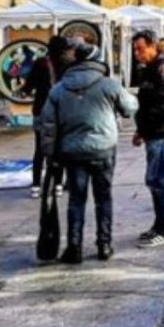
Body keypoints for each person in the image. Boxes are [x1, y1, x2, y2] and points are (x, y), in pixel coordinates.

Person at [40, 39, 138, 263]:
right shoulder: (108, 84)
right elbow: (130, 107)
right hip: (103, 149)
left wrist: (50, 154)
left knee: (76, 200)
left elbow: (48, 125)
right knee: (103, 198)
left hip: (72, 152)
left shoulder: (59, 88)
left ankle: (74, 247)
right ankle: (104, 245)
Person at [132, 30, 164, 248]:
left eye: (140, 49)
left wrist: (145, 126)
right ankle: (159, 224)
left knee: (159, 179)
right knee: (155, 179)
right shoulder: (152, 67)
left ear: (153, 45)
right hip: (155, 130)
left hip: (163, 131)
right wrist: (141, 129)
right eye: (135, 50)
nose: (137, 54)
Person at [21, 36, 69, 199]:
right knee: (58, 148)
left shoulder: (40, 64)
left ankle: (36, 185)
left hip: (41, 111)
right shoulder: (67, 65)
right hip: (60, 112)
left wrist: (27, 90)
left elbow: (28, 87)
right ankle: (58, 185)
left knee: (39, 149)